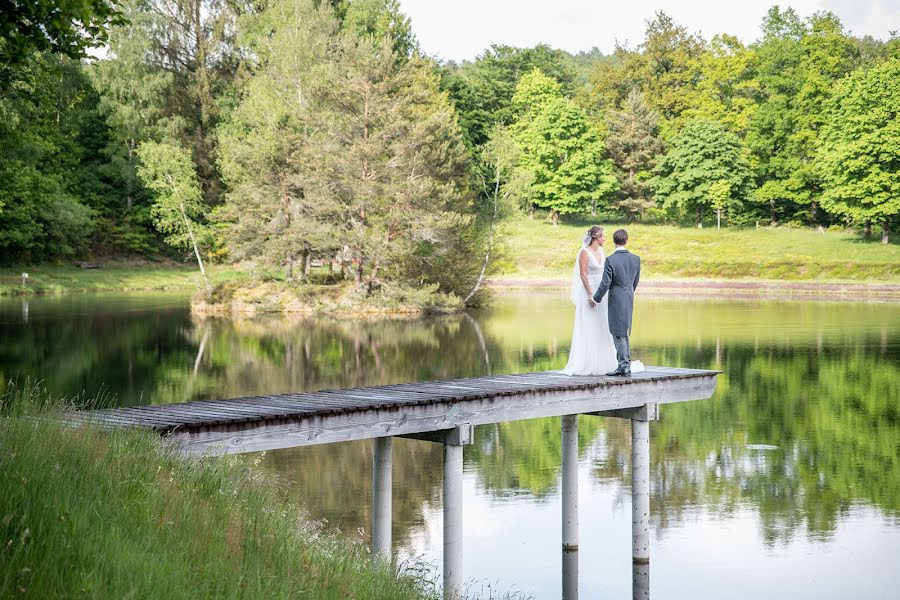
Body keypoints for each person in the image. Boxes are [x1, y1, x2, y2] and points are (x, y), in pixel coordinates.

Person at [561, 226, 641, 376]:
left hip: (606, 295)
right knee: (602, 328)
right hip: (591, 293)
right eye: (602, 236)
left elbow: (608, 280)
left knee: (610, 328)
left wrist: (600, 297)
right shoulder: (584, 252)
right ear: (596, 238)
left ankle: (616, 363)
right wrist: (592, 296)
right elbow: (583, 275)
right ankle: (594, 362)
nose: (604, 238)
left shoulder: (606, 255)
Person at [592, 229, 642, 376]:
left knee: (618, 332)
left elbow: (605, 283)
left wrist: (596, 298)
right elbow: (635, 282)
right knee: (624, 331)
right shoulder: (636, 259)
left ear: (614, 242)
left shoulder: (611, 260)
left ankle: (623, 366)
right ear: (626, 240)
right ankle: (625, 364)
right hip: (629, 297)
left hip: (616, 299)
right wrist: (629, 292)